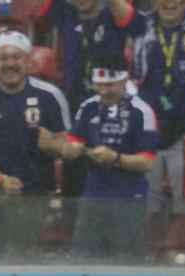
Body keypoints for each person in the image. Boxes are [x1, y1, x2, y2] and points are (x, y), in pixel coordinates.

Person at [0, 31, 71, 260]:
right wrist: (1, 180)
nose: (10, 63)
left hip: (36, 194)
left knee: (24, 262)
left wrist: (54, 146)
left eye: (16, 57)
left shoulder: (50, 96)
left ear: (28, 61)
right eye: (3, 58)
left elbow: (68, 145)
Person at [37, 0, 136, 196]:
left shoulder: (113, 15)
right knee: (74, 176)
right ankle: (72, 222)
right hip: (76, 108)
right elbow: (44, 12)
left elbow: (129, 15)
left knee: (111, 175)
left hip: (111, 107)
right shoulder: (65, 13)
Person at [62, 61, 160, 260]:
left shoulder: (142, 111)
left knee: (128, 259)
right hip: (93, 194)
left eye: (110, 86)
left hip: (129, 196)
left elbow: (147, 162)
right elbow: (70, 145)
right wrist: (70, 150)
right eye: (99, 86)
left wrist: (116, 158)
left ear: (124, 80)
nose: (104, 91)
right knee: (83, 257)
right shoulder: (88, 106)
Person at [130, 0, 185, 217]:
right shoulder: (139, 24)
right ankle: (144, 250)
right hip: (146, 130)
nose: (170, 2)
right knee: (144, 207)